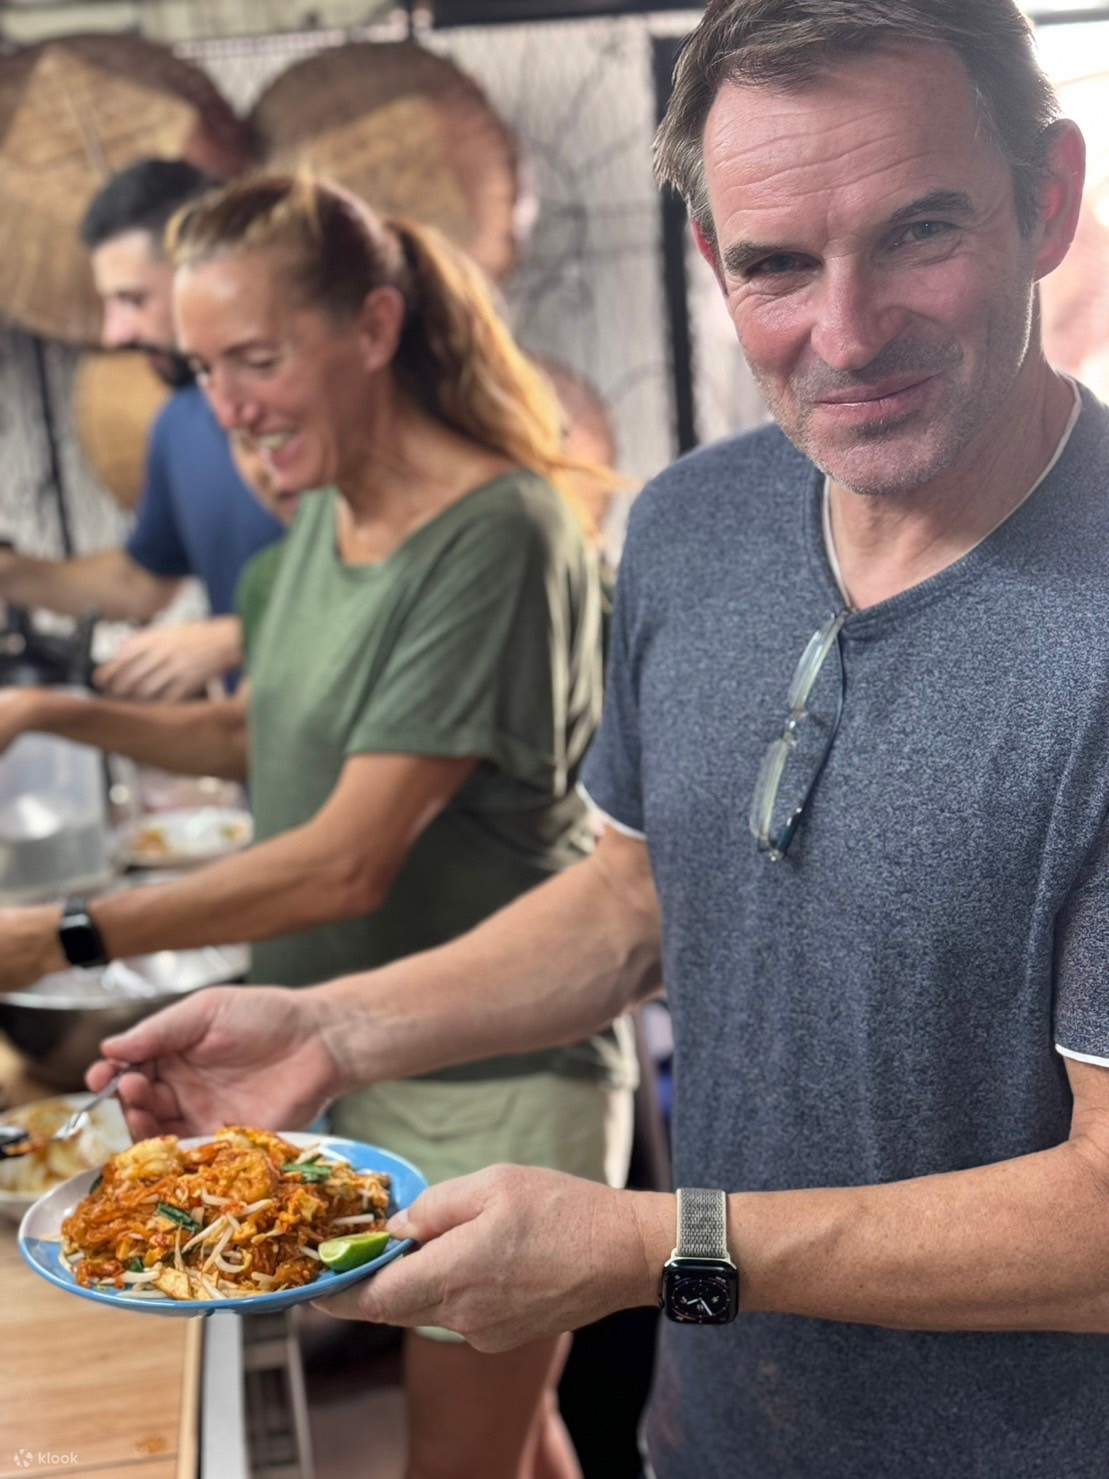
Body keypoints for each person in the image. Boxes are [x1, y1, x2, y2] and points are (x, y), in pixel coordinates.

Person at [77, 2, 1109, 1476]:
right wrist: (333, 1026)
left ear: (1048, 199)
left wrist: (659, 1243)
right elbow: (637, 893)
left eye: (918, 233)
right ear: (710, 258)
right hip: (711, 1432)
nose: (847, 330)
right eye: (775, 263)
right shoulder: (693, 526)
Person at [1, 172, 635, 1479]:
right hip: (348, 1059)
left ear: (376, 326)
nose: (223, 404)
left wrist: (63, 933)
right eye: (202, 366)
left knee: (456, 1457)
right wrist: (51, 709)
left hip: (495, 1073)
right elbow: (267, 728)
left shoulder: (496, 533)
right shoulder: (316, 536)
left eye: (257, 357)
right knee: (518, 1428)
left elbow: (351, 849)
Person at [0, 159, 284, 700]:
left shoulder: (324, 419)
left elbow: (417, 585)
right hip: (270, 760)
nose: (114, 334)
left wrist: (243, 637)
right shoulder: (180, 424)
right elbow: (142, 582)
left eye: (132, 299)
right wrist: (11, 574)